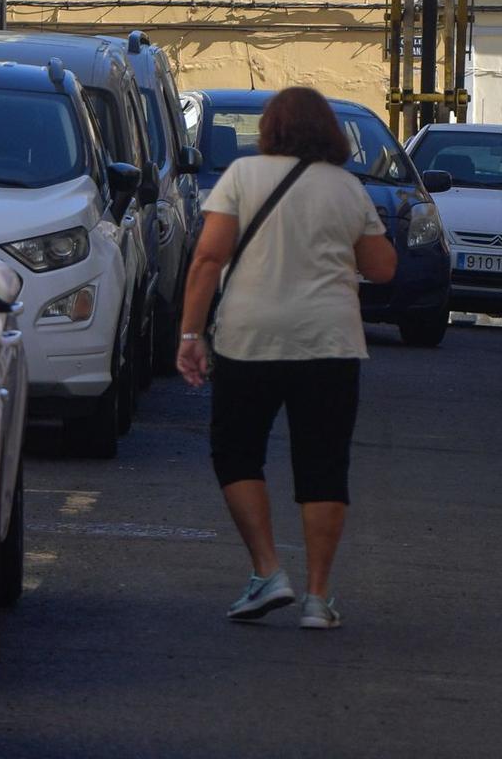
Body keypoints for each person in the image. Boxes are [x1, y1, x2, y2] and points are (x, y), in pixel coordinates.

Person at [177, 85, 397, 631]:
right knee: (323, 465)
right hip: (329, 342)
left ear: (270, 129)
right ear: (329, 133)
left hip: (249, 338)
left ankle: (268, 570)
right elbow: (385, 267)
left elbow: (207, 259)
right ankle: (319, 599)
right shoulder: (349, 189)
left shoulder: (241, 178)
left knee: (237, 452)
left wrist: (189, 335)